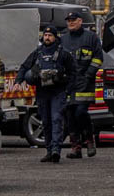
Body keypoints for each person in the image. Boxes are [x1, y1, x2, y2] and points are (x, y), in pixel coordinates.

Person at [13, 25, 75, 163]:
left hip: (58, 92)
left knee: (56, 119)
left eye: (50, 35)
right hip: (42, 92)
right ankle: (49, 150)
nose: (47, 38)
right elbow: (24, 67)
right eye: (45, 35)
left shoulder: (63, 53)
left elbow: (73, 73)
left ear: (55, 37)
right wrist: (18, 81)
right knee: (46, 121)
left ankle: (56, 150)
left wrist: (67, 88)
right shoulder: (38, 52)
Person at [60, 11, 103, 159]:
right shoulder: (63, 39)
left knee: (80, 112)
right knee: (70, 115)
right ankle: (75, 147)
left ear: (80, 21)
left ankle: (89, 140)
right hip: (68, 84)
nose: (70, 22)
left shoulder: (91, 37)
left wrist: (88, 75)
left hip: (85, 83)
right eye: (68, 20)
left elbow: (98, 58)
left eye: (73, 20)